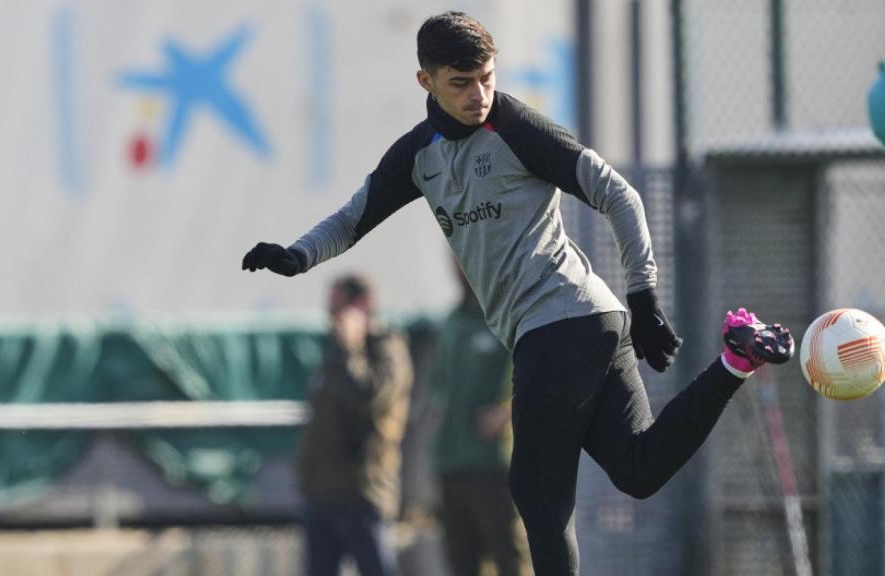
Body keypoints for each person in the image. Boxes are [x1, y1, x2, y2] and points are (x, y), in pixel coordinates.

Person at [244, 12, 794, 575]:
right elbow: (352, 218)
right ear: (425, 82)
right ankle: (736, 360)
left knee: (535, 490)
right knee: (637, 469)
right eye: (461, 82)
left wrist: (644, 293)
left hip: (561, 319)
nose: (479, 93)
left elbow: (618, 193)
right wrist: (297, 256)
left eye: (486, 76)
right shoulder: (417, 155)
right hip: (584, 320)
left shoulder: (516, 128)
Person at [295, 274, 413, 576]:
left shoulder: (386, 348)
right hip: (321, 494)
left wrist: (351, 347)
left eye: (337, 306)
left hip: (362, 493)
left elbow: (368, 396)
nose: (331, 315)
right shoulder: (333, 354)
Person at [428, 260, 530, 576]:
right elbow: (437, 386)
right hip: (450, 463)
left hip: (493, 465)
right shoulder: (452, 322)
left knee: (508, 555)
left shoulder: (509, 319)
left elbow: (544, 378)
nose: (460, 266)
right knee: (461, 561)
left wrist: (506, 413)